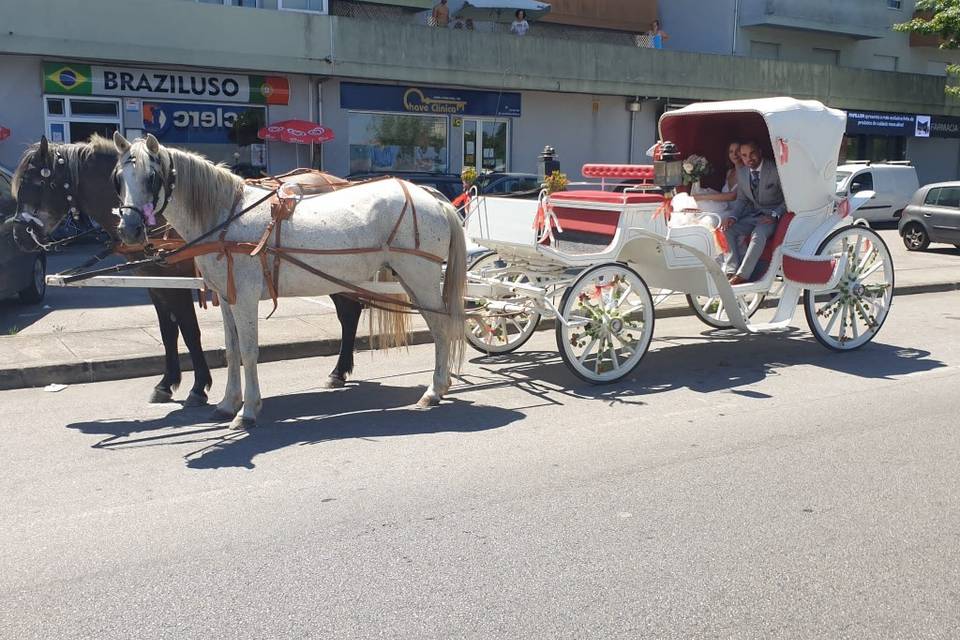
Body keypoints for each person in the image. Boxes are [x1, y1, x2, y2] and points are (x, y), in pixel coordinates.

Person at [721, 140, 786, 285]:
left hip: (773, 217)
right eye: (744, 155)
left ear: (760, 152)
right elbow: (742, 200)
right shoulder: (742, 172)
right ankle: (731, 269)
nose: (749, 158)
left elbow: (788, 199)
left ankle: (743, 275)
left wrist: (775, 214)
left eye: (752, 154)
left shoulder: (775, 170)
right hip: (754, 214)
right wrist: (732, 216)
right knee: (727, 228)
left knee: (758, 234)